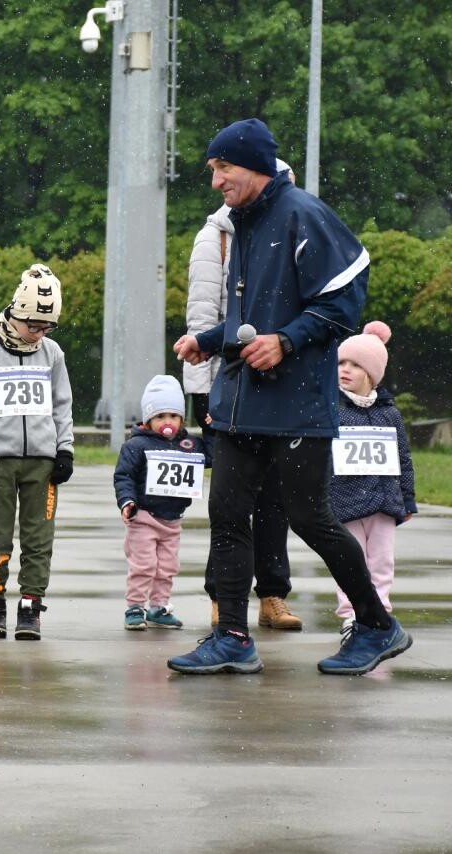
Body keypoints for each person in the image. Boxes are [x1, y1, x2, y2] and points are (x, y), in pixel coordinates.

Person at [170, 117, 411, 676]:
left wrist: (286, 341)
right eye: (213, 170)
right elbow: (253, 315)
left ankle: (377, 625)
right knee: (228, 515)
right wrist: (209, 340)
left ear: (254, 166)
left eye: (223, 168)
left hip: (296, 406)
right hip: (239, 403)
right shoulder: (242, 222)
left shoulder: (303, 214)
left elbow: (342, 303)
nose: (216, 182)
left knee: (310, 518)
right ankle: (232, 636)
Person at [185, 160, 301, 632]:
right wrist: (201, 394)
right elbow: (202, 316)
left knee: (276, 498)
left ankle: (273, 594)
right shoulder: (215, 237)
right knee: (230, 504)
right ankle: (223, 596)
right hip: (228, 388)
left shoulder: (292, 232)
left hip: (278, 387)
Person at [0, 264, 74, 640]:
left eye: (47, 328)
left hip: (43, 463)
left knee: (39, 539)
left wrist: (65, 449)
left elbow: (62, 405)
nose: (40, 334)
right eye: (34, 326)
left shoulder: (52, 354)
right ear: (16, 314)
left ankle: (31, 605)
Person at [329, 321, 417, 631]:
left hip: (384, 503)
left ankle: (380, 613)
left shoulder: (390, 413)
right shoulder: (330, 410)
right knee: (349, 560)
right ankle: (351, 614)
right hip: (344, 501)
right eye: (341, 362)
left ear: (372, 374)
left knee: (381, 562)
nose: (346, 369)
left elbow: (403, 458)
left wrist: (407, 499)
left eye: (356, 365)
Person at [114, 376, 202, 631]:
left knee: (167, 567)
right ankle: (135, 607)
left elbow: (212, 455)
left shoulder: (189, 444)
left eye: (173, 416)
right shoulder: (136, 445)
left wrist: (211, 428)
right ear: (148, 419)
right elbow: (124, 476)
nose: (167, 422)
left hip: (173, 520)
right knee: (144, 565)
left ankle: (158, 607)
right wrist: (127, 501)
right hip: (144, 517)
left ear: (182, 419)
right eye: (160, 416)